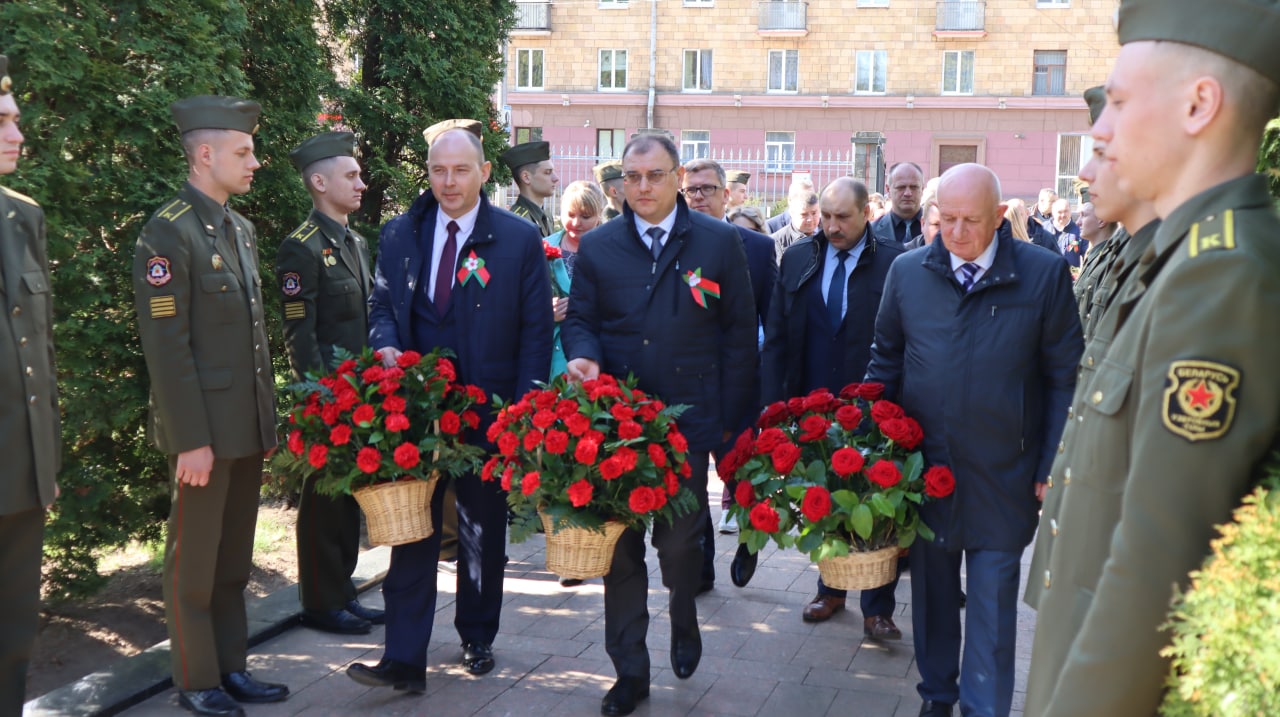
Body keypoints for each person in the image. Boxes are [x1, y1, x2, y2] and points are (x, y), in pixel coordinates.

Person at [1024, 0, 1280, 712]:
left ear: (1200, 104)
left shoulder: (1221, 270)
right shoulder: (1187, 258)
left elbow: (1159, 557)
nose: (1101, 128)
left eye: (1123, 101)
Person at [866, 164, 1082, 717]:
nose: (957, 233)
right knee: (933, 599)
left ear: (999, 217)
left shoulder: (1043, 274)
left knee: (992, 603)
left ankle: (984, 708)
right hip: (925, 472)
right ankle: (937, 697)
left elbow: (1064, 376)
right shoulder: (908, 272)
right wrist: (868, 448)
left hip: (1004, 471)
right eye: (947, 219)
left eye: (972, 221)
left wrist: (1050, 460)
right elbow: (884, 361)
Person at [348, 119, 553, 694]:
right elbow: (382, 302)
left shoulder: (516, 240)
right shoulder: (401, 234)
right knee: (412, 528)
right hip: (416, 410)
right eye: (438, 170)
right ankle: (404, 657)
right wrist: (384, 341)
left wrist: (525, 409)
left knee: (480, 528)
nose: (448, 182)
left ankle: (477, 634)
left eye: (461, 170)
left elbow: (537, 332)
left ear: (485, 173)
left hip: (488, 411)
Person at [561, 133, 757, 716]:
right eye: (632, 176)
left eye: (654, 175)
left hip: (689, 425)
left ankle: (684, 617)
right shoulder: (598, 248)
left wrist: (728, 424)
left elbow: (740, 336)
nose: (641, 187)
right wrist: (583, 355)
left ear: (677, 178)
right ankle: (630, 670)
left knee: (678, 545)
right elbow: (580, 322)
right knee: (620, 553)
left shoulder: (720, 243)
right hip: (616, 428)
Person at [133, 95, 286, 717]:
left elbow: (251, 340)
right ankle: (197, 679)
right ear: (204, 154)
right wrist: (189, 438)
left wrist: (264, 422)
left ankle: (231, 667)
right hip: (203, 435)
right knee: (193, 565)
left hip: (243, 427)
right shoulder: (167, 232)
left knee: (232, 562)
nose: (255, 163)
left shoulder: (239, 229)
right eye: (243, 152)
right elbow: (167, 348)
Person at [762, 177, 907, 640]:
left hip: (876, 402)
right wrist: (776, 401)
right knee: (822, 493)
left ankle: (877, 606)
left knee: (876, 501)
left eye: (842, 217)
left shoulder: (893, 263)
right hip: (813, 399)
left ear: (868, 213)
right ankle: (830, 588)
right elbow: (780, 331)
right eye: (825, 216)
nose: (831, 226)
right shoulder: (801, 256)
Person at [275, 131, 384, 636]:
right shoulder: (301, 249)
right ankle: (320, 601)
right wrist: (320, 398)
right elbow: (299, 332)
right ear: (319, 182)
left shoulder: (355, 243)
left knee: (346, 500)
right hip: (327, 402)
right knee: (322, 505)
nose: (361, 183)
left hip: (357, 397)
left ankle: (342, 592)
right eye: (351, 176)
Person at [0, 54, 60, 714]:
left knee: (14, 633)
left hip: (19, 467)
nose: (18, 134)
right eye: (3, 122)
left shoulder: (23, 217)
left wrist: (47, 460)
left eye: (15, 121)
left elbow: (39, 350)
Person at [680, 158, 777, 554]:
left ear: (725, 194)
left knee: (741, 474)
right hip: (686, 381)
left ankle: (749, 546)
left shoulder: (757, 247)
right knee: (691, 484)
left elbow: (772, 320)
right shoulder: (674, 243)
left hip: (738, 381)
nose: (698, 197)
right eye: (691, 190)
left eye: (706, 189)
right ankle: (699, 567)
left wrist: (769, 385)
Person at [501, 140, 558, 236]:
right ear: (526, 177)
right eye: (547, 172)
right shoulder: (517, 222)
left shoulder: (547, 216)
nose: (556, 178)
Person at [870, 162, 925, 244]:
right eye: (901, 187)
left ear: (922, 189)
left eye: (914, 187)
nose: (908, 193)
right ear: (888, 189)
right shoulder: (871, 232)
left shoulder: (939, 228)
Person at [770, 188, 819, 262]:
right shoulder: (777, 242)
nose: (810, 219)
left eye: (814, 213)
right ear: (792, 213)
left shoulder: (826, 236)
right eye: (804, 214)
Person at [1047, 198, 1085, 267]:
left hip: (1069, 276)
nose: (1063, 215)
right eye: (1059, 212)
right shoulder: (1043, 229)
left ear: (1070, 212)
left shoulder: (1079, 232)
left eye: (1066, 211)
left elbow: (1086, 255)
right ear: (1053, 212)